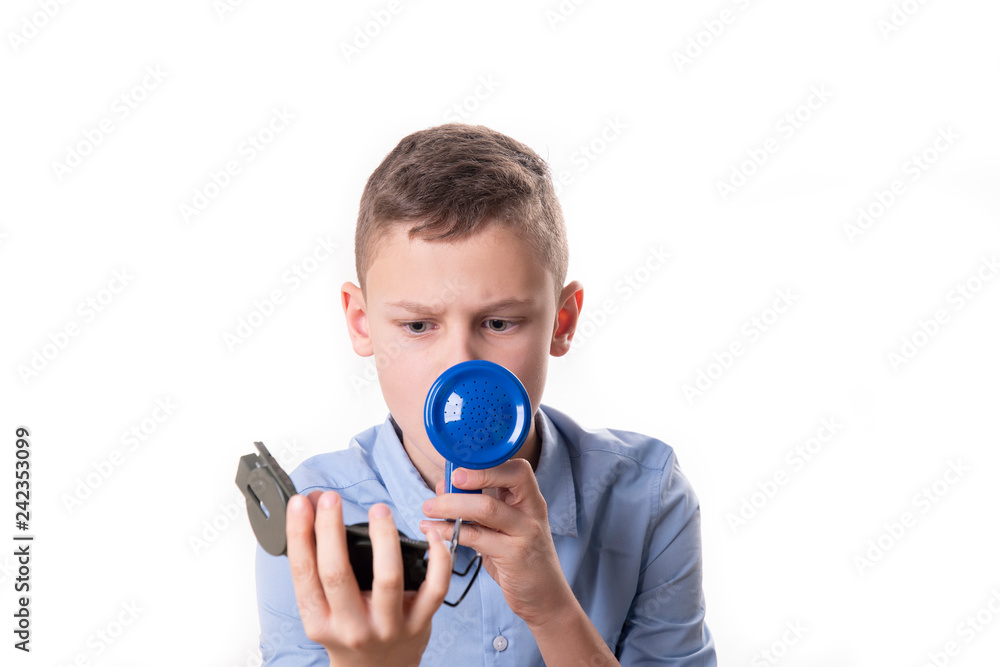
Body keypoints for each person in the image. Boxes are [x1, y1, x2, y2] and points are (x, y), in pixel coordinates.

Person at [255, 123, 716, 665]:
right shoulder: (315, 516)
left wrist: (551, 609)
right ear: (361, 323)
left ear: (561, 322)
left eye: (499, 322)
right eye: (418, 326)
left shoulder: (647, 496)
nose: (460, 368)